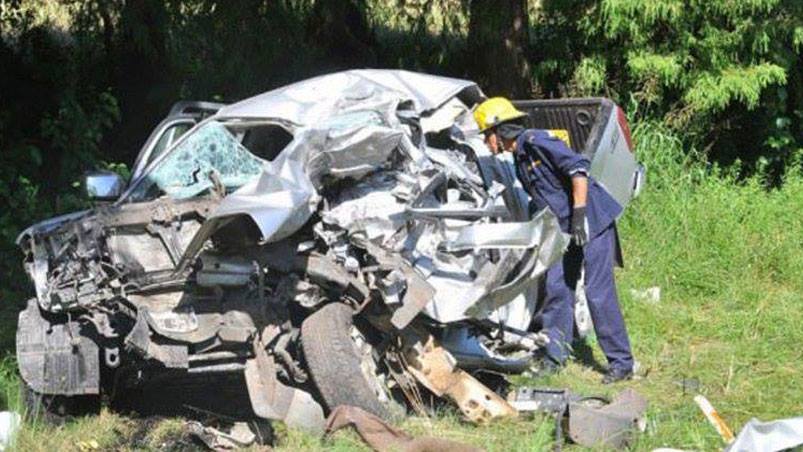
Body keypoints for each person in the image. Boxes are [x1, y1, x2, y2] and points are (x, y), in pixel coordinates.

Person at [473, 97, 634, 384]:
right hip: (565, 229)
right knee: (558, 288)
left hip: (592, 220)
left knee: (597, 291)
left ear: (500, 130)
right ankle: (555, 355)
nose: (487, 143)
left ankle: (621, 363)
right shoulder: (520, 157)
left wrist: (581, 216)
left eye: (487, 135)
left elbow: (578, 171)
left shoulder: (536, 141)